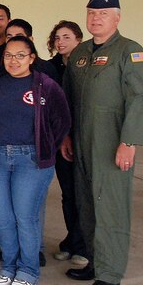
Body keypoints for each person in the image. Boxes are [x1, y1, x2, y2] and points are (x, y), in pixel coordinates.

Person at [61, 0, 143, 285]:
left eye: (102, 13)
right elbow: (68, 99)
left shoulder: (130, 51)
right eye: (91, 13)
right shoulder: (81, 53)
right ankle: (94, 261)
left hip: (111, 140)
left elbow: (139, 99)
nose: (95, 18)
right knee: (86, 202)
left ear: (117, 17)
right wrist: (66, 135)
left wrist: (129, 141)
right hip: (81, 140)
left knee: (111, 205)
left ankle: (110, 273)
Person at [0, 36, 71, 285]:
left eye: (20, 55)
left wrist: (44, 148)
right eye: (9, 55)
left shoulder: (46, 86)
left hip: (30, 160)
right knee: (2, 217)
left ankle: (28, 270)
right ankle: (8, 266)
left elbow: (62, 121)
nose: (13, 60)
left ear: (32, 58)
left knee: (26, 217)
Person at [46, 20, 88, 265]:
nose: (60, 42)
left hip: (85, 137)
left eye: (66, 37)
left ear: (79, 40)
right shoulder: (51, 68)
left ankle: (84, 245)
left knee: (84, 193)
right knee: (68, 193)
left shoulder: (88, 66)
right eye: (57, 38)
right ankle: (71, 241)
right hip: (61, 138)